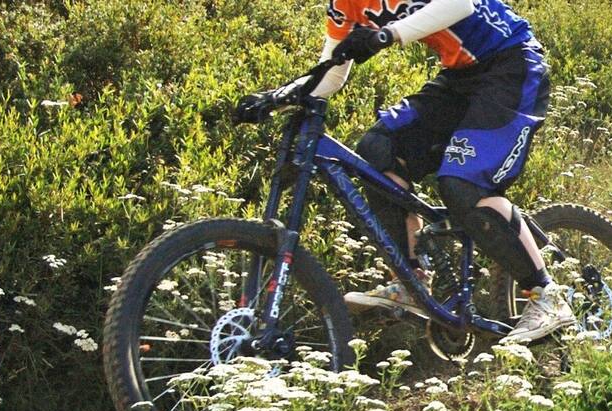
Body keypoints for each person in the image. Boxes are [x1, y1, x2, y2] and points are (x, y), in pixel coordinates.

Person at [234, 0, 572, 344]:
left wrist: (386, 34)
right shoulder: (344, 5)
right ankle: (411, 279)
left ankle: (547, 295)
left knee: (463, 184)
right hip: (459, 79)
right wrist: (278, 97)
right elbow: (332, 70)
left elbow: (459, 4)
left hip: (511, 65)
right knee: (379, 150)